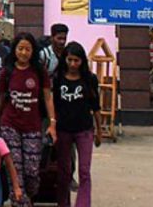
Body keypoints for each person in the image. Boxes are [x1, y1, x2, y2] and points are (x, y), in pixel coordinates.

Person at [0, 33, 57, 207]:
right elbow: (1, 99)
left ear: (33, 51)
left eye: (27, 49)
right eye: (20, 48)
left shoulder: (40, 72)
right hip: (10, 126)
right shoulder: (7, 72)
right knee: (15, 170)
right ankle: (19, 201)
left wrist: (52, 123)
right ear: (14, 50)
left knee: (32, 171)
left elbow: (47, 98)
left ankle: (27, 198)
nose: (23, 53)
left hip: (33, 126)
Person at [52, 42, 102, 207]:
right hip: (63, 130)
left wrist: (99, 131)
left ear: (82, 61)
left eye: (77, 61)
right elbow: (52, 104)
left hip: (84, 130)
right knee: (64, 171)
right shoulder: (58, 78)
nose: (73, 64)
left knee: (84, 171)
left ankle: (83, 204)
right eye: (70, 60)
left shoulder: (90, 79)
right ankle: (63, 202)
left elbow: (95, 106)